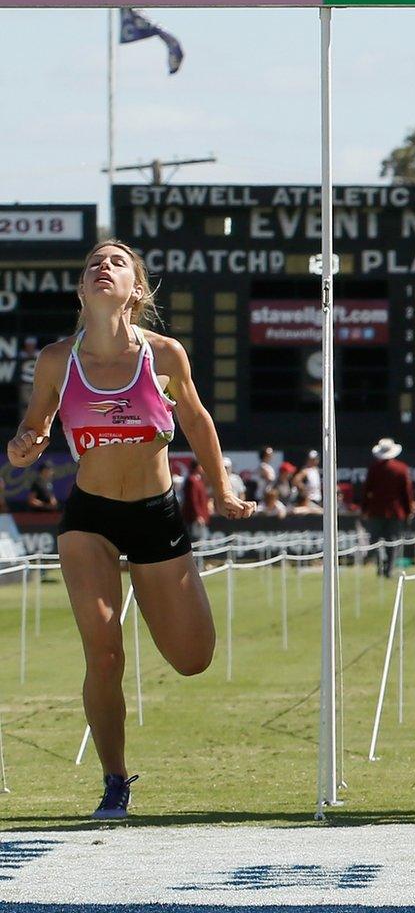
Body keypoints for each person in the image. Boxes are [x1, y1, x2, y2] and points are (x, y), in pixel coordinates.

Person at [6, 238, 253, 819]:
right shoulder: (56, 361)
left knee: (193, 659)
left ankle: (155, 589)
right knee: (104, 653)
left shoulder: (163, 355)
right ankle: (115, 779)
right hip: (89, 517)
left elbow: (197, 420)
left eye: (117, 262)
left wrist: (221, 490)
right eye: (94, 262)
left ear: (135, 290)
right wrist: (22, 448)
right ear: (80, 288)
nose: (102, 267)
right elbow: (31, 433)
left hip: (155, 515)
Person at [361, 437, 415, 577]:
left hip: (376, 510)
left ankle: (381, 564)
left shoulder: (374, 469)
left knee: (376, 540)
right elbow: (406, 493)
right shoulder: (401, 469)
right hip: (395, 512)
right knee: (393, 541)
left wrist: (364, 509)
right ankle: (389, 569)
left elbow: (367, 490)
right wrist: (408, 510)